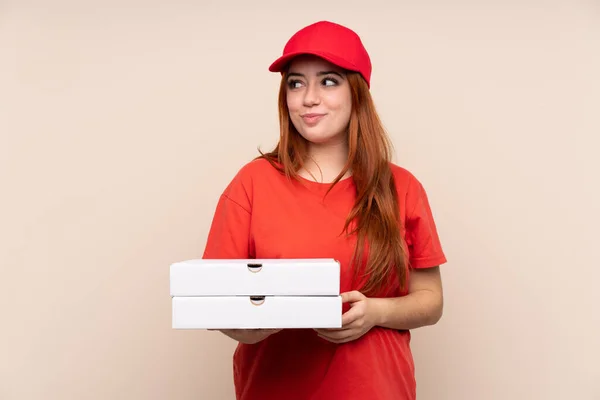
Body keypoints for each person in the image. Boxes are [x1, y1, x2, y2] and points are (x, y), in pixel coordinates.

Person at [202, 20, 447, 400]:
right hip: (275, 389)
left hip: (378, 390)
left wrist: (376, 313)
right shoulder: (252, 183)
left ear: (357, 93)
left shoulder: (401, 187)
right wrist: (252, 324)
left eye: (328, 81)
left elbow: (430, 300)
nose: (308, 98)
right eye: (296, 83)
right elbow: (215, 299)